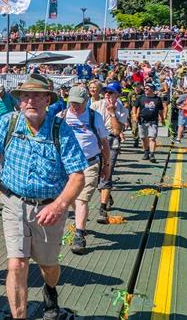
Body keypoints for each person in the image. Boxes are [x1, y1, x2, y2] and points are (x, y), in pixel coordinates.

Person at [0, 74, 87, 320]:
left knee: (48, 266)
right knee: (16, 264)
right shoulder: (8, 122)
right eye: (26, 96)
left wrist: (59, 205)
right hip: (13, 203)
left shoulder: (60, 129)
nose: (31, 101)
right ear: (19, 101)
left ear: (47, 100)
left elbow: (77, 177)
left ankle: (50, 289)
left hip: (49, 210)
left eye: (38, 96)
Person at [59, 85, 110, 255]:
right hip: (67, 164)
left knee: (82, 198)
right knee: (73, 198)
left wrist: (107, 165)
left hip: (90, 163)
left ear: (86, 101)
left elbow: (104, 142)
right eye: (72, 103)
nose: (75, 106)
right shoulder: (61, 116)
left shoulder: (95, 117)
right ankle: (80, 222)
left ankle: (79, 235)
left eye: (78, 103)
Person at [91, 82, 129, 222]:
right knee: (94, 175)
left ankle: (102, 208)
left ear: (117, 95)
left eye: (111, 92)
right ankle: (107, 194)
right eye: (106, 92)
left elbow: (117, 131)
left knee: (107, 173)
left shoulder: (122, 110)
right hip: (95, 140)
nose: (107, 94)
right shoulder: (96, 105)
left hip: (111, 140)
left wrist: (112, 113)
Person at [133, 83, 166, 163]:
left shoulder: (157, 99)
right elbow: (135, 106)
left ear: (152, 89)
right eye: (145, 89)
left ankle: (152, 154)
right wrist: (134, 115)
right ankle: (146, 152)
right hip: (142, 121)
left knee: (152, 138)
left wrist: (162, 119)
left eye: (147, 89)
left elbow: (160, 110)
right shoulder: (141, 98)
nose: (145, 90)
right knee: (143, 138)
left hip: (153, 121)